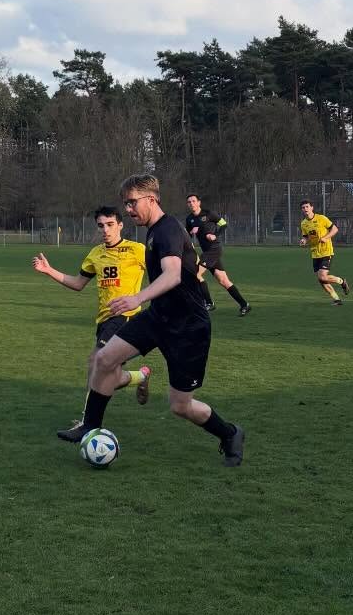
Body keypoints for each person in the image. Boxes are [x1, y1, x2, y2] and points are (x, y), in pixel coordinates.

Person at [81, 174, 244, 467]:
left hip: (188, 328)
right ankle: (89, 428)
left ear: (151, 199)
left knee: (180, 405)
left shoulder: (168, 229)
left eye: (132, 202)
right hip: (158, 317)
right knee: (104, 359)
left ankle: (230, 433)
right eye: (126, 203)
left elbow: (172, 275)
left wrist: (137, 298)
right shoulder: (153, 231)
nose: (128, 209)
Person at [32, 206, 152, 441]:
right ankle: (140, 376)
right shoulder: (95, 254)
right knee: (108, 374)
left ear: (120, 225)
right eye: (101, 225)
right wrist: (48, 271)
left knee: (95, 362)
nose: (105, 230)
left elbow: (162, 273)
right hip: (104, 320)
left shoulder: (137, 250)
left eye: (110, 224)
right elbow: (78, 283)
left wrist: (143, 297)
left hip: (126, 316)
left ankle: (87, 423)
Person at [184, 194, 250, 314]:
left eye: (193, 201)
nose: (191, 203)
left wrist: (215, 235)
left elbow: (224, 224)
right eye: (189, 202)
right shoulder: (189, 219)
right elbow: (187, 236)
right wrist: (191, 233)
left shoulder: (209, 214)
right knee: (223, 280)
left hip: (214, 249)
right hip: (207, 252)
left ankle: (209, 303)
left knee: (195, 274)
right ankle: (244, 304)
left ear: (199, 202)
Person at [298, 200, 348, 303]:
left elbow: (335, 229)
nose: (305, 209)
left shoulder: (321, 218)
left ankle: (341, 281)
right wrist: (303, 241)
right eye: (303, 207)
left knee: (323, 277)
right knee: (321, 280)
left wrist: (326, 237)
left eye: (307, 206)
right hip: (315, 253)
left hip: (326, 251)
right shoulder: (304, 223)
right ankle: (337, 299)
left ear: (312, 207)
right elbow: (306, 236)